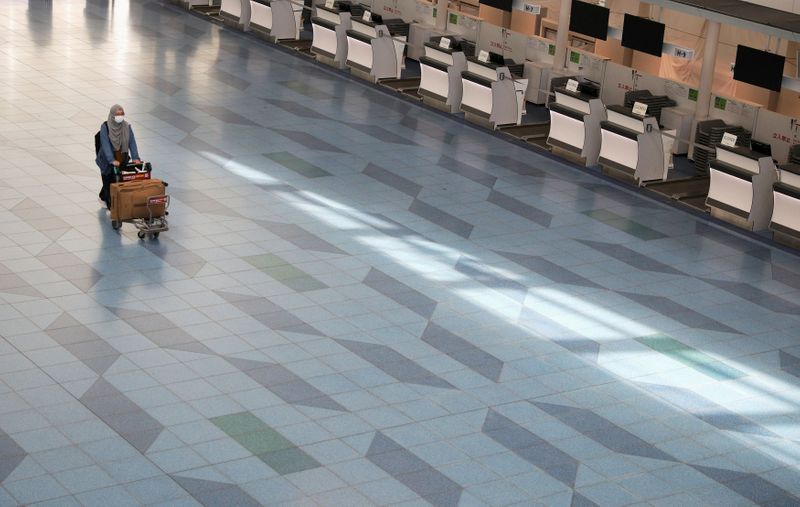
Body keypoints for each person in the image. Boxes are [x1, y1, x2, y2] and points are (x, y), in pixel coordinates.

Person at [96, 104, 141, 209]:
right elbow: (105, 144)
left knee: (118, 179)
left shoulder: (127, 126)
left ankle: (103, 197)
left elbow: (132, 142)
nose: (120, 116)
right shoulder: (105, 127)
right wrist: (111, 160)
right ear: (112, 115)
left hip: (122, 157)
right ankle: (110, 204)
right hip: (107, 159)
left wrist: (135, 157)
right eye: (117, 114)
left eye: (122, 114)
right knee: (108, 180)